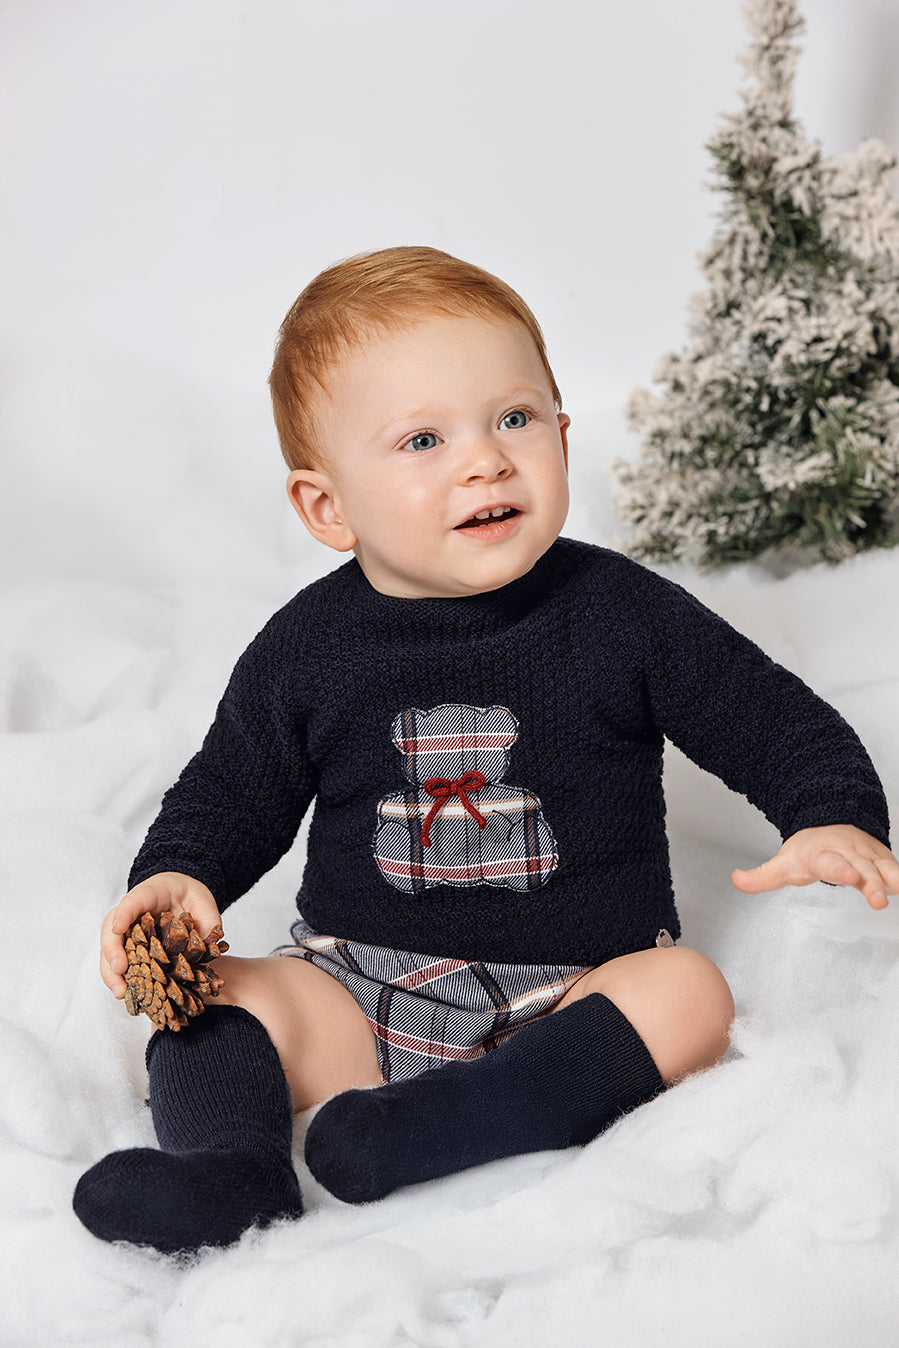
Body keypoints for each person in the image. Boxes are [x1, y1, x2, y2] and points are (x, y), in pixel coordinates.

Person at [73, 246, 897, 1254]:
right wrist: (176, 875)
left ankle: (446, 1123)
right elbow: (231, 788)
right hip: (358, 987)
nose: (485, 460)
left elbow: (766, 713)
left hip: (575, 989)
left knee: (689, 995)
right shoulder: (307, 648)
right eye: (422, 439)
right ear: (328, 507)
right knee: (209, 1005)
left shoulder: (620, 613)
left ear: (561, 433)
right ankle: (230, 1171)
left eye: (513, 419)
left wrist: (830, 813)